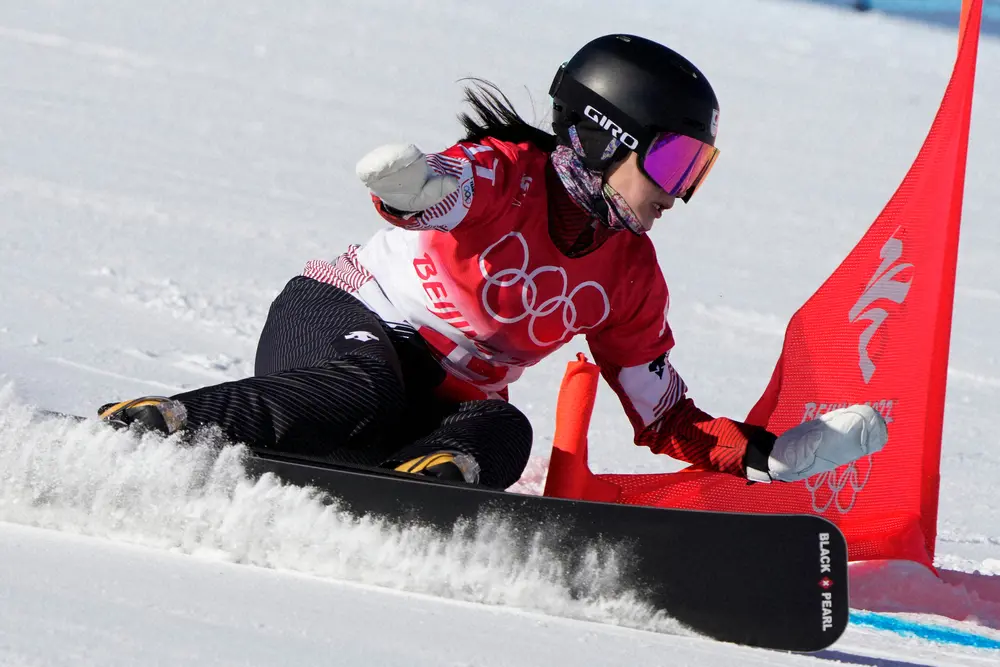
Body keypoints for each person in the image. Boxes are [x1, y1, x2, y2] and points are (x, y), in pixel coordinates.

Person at [98, 34, 887, 490]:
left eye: (696, 172)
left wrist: (768, 452)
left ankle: (422, 493)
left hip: (430, 398)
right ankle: (168, 424)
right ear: (603, 137)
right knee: (363, 382)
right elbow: (444, 192)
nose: (678, 194)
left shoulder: (631, 276)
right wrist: (410, 192)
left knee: (503, 427)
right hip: (342, 320)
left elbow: (663, 414)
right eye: (674, 163)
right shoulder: (507, 173)